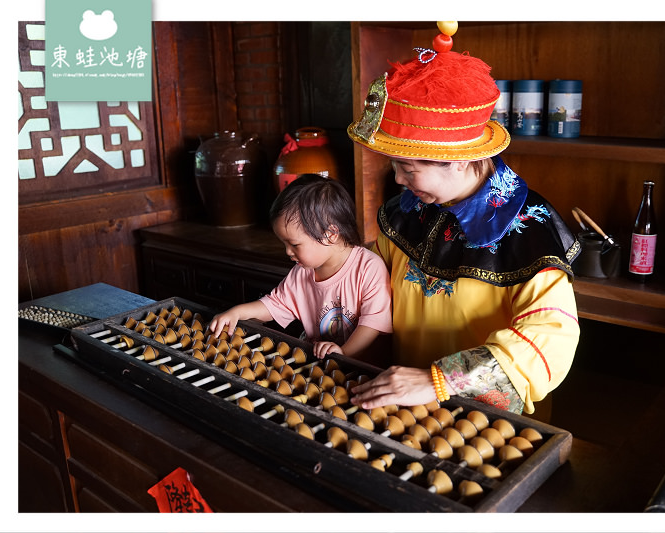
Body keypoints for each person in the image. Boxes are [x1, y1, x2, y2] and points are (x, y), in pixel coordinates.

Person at [345, 22, 581, 417]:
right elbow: (369, 280)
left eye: (407, 167)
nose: (399, 179)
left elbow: (549, 337)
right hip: (402, 407)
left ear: (458, 161)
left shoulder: (528, 229)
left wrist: (442, 380)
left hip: (482, 424)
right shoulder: (409, 209)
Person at [208, 174, 392, 360]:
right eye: (285, 244)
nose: (288, 252)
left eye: (294, 244)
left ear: (330, 234)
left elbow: (372, 324)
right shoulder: (302, 272)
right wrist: (236, 312)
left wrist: (344, 354)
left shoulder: (368, 268)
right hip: (318, 364)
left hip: (362, 370)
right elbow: (274, 305)